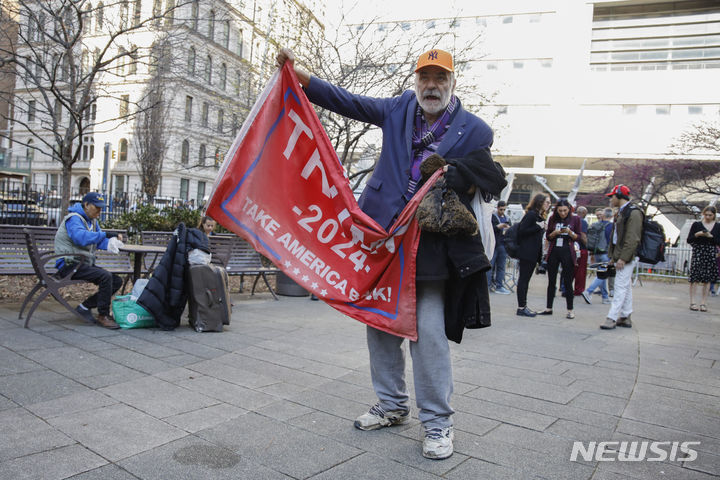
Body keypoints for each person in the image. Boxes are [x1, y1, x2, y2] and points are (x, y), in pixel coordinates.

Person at [276, 47, 504, 460]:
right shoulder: (398, 108)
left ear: (453, 83)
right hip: (380, 237)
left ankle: (438, 424)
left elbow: (492, 179)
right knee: (379, 323)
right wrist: (302, 77)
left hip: (431, 244)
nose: (431, 86)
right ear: (416, 81)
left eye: (440, 79)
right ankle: (392, 405)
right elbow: (348, 101)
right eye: (425, 78)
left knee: (429, 333)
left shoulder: (475, 130)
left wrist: (458, 177)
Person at [54, 192, 123, 329]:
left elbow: (98, 240)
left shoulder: (92, 221)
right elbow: (80, 237)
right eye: (96, 207)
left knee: (116, 280)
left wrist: (112, 242)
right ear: (86, 205)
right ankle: (103, 315)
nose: (99, 211)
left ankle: (85, 307)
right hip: (69, 264)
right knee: (105, 276)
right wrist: (105, 234)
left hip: (82, 263)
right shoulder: (74, 219)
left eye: (101, 208)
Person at [600, 185, 642, 329]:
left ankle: (612, 317)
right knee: (625, 286)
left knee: (620, 286)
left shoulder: (633, 212)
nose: (611, 199)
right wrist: (614, 256)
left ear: (619, 196)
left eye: (612, 196)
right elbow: (616, 237)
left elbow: (633, 238)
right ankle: (625, 316)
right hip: (622, 255)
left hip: (626, 256)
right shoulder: (623, 212)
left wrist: (623, 258)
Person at [539, 198, 582, 319]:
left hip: (567, 250)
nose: (562, 213)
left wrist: (570, 232)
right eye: (560, 211)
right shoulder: (553, 218)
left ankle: (570, 309)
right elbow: (548, 235)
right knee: (551, 281)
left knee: (568, 281)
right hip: (554, 251)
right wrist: (554, 233)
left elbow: (578, 236)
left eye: (565, 210)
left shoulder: (575, 219)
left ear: (569, 209)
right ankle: (549, 307)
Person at [515, 194, 548, 317]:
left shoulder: (537, 215)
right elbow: (522, 231)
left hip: (532, 253)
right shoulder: (531, 215)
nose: (548, 205)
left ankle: (523, 306)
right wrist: (537, 227)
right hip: (527, 253)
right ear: (540, 202)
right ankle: (521, 307)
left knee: (525, 280)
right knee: (523, 280)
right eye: (546, 202)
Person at [686, 206, 720, 312]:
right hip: (698, 251)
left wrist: (711, 236)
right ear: (703, 214)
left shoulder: (718, 226)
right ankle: (692, 301)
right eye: (706, 215)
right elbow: (689, 239)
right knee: (694, 278)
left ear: (714, 215)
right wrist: (697, 234)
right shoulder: (696, 225)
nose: (708, 217)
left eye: (710, 215)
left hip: (710, 252)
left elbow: (718, 241)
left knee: (707, 279)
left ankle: (703, 303)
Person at [582, 208, 614, 305]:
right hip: (606, 253)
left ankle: (605, 297)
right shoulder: (612, 226)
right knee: (602, 275)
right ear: (611, 216)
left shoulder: (596, 225)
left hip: (596, 253)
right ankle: (588, 291)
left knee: (601, 274)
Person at [488, 200, 512, 294]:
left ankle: (499, 285)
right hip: (494, 245)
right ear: (497, 208)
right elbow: (490, 229)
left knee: (501, 267)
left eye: (504, 209)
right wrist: (498, 227)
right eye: (501, 209)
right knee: (491, 266)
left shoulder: (507, 218)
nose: (502, 211)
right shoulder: (493, 217)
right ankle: (488, 285)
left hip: (503, 245)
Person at [573, 206, 589, 296]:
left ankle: (564, 287)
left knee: (571, 269)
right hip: (581, 249)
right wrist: (588, 244)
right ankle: (579, 289)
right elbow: (583, 235)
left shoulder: (572, 220)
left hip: (573, 248)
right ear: (583, 213)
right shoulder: (582, 222)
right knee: (581, 271)